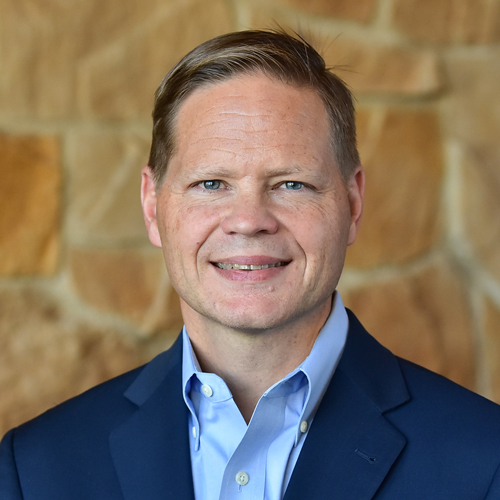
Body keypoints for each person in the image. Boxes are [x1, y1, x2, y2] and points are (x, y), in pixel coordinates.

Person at [1, 29, 499, 500]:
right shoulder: (37, 468)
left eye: (291, 184)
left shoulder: (485, 459)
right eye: (211, 184)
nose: (249, 221)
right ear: (153, 206)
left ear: (352, 203)